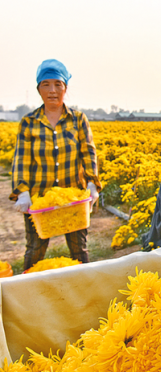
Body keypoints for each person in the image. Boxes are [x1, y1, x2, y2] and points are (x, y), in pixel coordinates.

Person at [10, 59, 101, 270]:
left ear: (65, 88)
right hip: (40, 200)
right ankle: (28, 293)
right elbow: (21, 159)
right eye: (46, 84)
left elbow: (88, 152)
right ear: (38, 89)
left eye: (58, 84)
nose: (52, 90)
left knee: (79, 250)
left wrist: (92, 184)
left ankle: (85, 293)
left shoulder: (78, 120)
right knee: (35, 250)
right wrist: (22, 193)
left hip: (73, 200)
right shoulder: (29, 122)